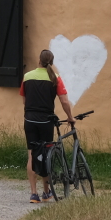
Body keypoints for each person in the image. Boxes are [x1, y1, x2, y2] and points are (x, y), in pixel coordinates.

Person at [20, 48, 73, 203]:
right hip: (46, 121)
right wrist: (70, 117)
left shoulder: (27, 77)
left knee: (32, 154)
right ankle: (46, 192)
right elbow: (64, 101)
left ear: (39, 60)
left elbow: (24, 100)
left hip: (30, 120)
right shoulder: (55, 78)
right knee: (46, 154)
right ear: (52, 62)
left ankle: (33, 194)